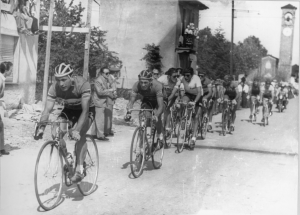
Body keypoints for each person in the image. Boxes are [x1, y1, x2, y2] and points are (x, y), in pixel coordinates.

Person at [35, 63, 95, 183]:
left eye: (63, 80)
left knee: (80, 135)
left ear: (71, 77)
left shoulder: (82, 84)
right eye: (58, 80)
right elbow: (47, 109)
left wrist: (77, 130)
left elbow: (85, 110)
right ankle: (68, 157)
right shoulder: (55, 87)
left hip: (86, 111)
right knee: (56, 131)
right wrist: (41, 127)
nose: (61, 83)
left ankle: (79, 169)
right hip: (69, 109)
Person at [125, 70, 165, 147]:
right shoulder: (136, 85)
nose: (143, 85)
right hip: (147, 99)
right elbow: (131, 101)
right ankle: (145, 138)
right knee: (146, 116)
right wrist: (128, 112)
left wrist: (156, 115)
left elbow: (160, 106)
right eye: (141, 82)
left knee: (157, 116)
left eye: (145, 82)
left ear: (150, 81)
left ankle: (160, 133)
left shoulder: (157, 86)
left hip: (159, 101)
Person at [176, 68, 202, 150]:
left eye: (188, 75)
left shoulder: (196, 79)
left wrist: (194, 102)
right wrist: (177, 99)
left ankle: (193, 137)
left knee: (196, 116)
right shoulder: (182, 78)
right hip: (188, 94)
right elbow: (176, 88)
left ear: (191, 75)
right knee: (183, 102)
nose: (186, 77)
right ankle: (184, 118)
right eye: (185, 75)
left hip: (197, 96)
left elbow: (199, 92)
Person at [93, 67, 117, 140]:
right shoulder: (98, 81)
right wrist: (110, 90)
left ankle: (94, 134)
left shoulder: (105, 79)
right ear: (102, 73)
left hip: (102, 101)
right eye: (106, 73)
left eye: (109, 73)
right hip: (99, 102)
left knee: (97, 119)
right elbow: (100, 92)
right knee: (100, 119)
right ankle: (100, 136)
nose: (108, 74)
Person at [157, 68, 181, 138]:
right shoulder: (162, 79)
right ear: (169, 76)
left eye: (177, 76)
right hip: (162, 94)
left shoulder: (178, 81)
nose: (176, 78)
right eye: (174, 76)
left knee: (167, 108)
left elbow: (173, 94)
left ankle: (167, 127)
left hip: (172, 95)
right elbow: (157, 89)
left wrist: (166, 101)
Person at [0, 62, 13, 155]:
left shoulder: (2, 79)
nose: (12, 72)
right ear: (6, 70)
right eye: (11, 70)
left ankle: (1, 149)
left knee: (0, 126)